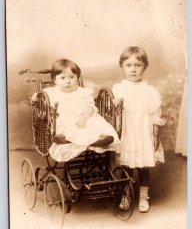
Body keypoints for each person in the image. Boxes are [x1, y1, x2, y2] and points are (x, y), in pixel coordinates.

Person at [112, 46, 165, 213]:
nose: (133, 69)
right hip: (126, 133)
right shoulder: (118, 89)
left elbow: (156, 115)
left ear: (145, 67)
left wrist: (155, 136)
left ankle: (143, 197)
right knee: (126, 167)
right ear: (122, 66)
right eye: (128, 65)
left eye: (137, 65)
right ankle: (125, 194)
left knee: (143, 168)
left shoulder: (150, 91)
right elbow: (113, 114)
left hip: (143, 133)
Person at [37, 59, 120, 162]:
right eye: (62, 78)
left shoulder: (83, 92)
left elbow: (91, 108)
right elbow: (38, 98)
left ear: (77, 78)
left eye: (72, 77)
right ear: (55, 80)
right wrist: (35, 97)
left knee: (95, 123)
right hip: (65, 120)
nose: (68, 81)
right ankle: (76, 139)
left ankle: (98, 139)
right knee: (68, 127)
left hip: (85, 118)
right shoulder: (51, 92)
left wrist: (84, 118)